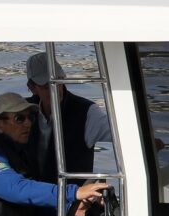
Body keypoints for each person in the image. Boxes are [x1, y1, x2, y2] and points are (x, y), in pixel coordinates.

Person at [0, 92, 109, 216]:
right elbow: (18, 189)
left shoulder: (15, 148)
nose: (28, 124)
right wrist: (75, 192)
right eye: (20, 119)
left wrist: (72, 207)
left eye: (30, 117)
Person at [25, 52, 112, 183]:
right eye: (46, 86)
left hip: (74, 199)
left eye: (59, 81)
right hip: (31, 197)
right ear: (32, 87)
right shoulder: (21, 111)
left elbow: (127, 137)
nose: (55, 89)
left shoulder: (87, 112)